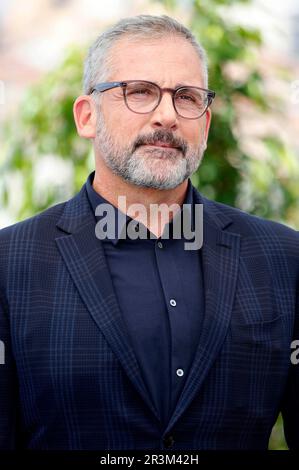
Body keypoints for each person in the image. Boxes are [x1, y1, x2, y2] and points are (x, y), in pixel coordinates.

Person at [0, 14, 298, 451]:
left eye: (186, 97)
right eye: (140, 92)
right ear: (87, 116)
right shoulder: (10, 265)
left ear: (207, 123)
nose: (167, 116)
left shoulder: (283, 258)